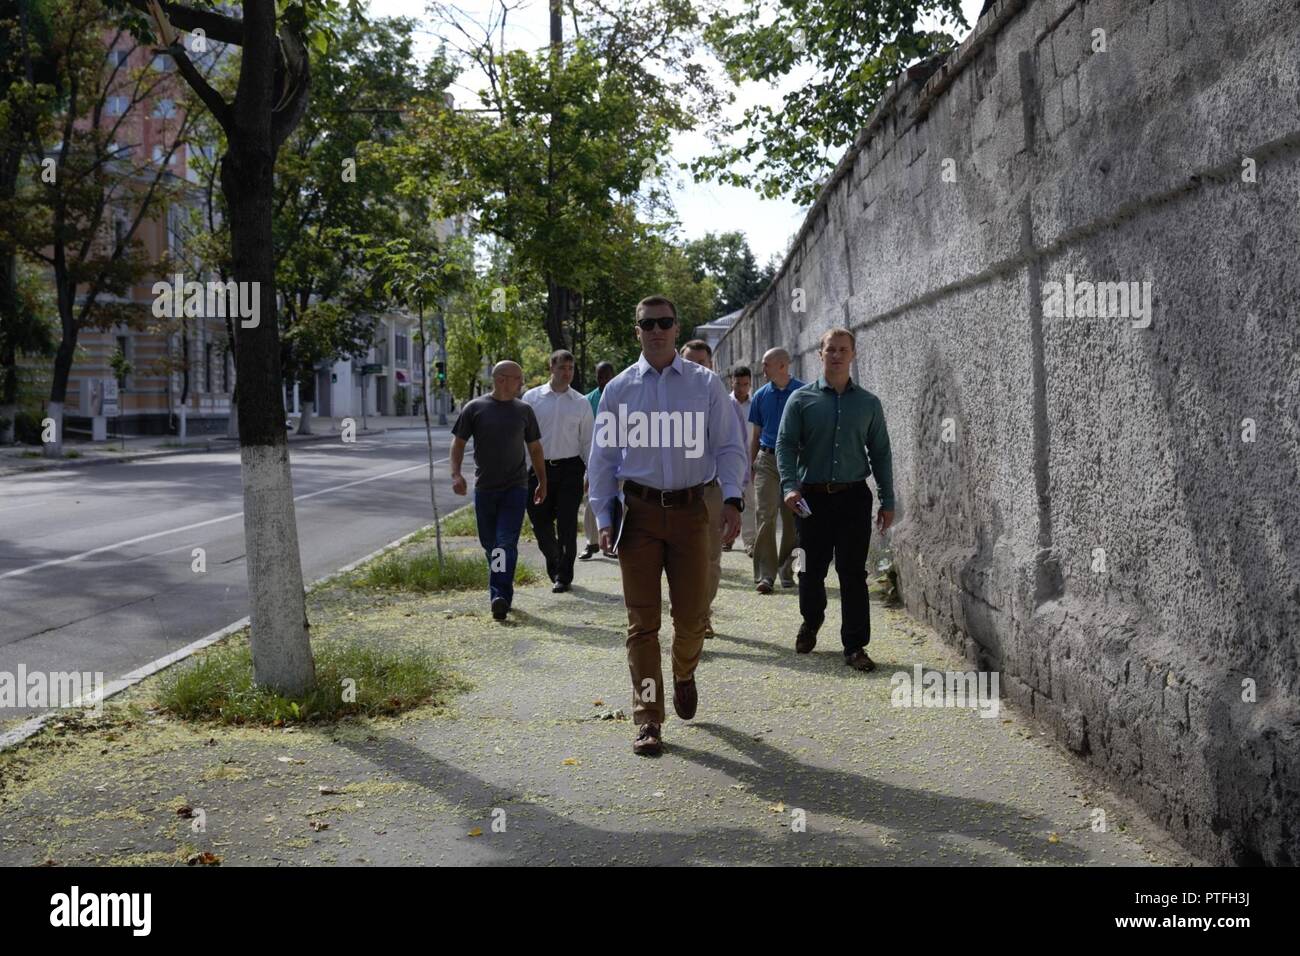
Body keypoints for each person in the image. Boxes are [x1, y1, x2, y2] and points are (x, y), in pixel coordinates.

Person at [588, 297, 745, 756]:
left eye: (665, 322)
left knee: (692, 617)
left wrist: (732, 498)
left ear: (677, 329)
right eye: (647, 323)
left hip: (692, 512)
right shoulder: (619, 389)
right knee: (642, 623)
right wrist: (603, 516)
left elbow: (730, 446)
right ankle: (649, 719)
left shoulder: (705, 385)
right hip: (637, 515)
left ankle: (683, 670)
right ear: (636, 330)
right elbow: (602, 458)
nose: (656, 330)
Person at [778, 328, 895, 671]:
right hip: (811, 498)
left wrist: (887, 501)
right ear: (821, 353)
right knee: (810, 570)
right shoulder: (801, 400)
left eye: (844, 350)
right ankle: (811, 620)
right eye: (831, 349)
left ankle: (855, 646)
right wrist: (789, 485)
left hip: (853, 497)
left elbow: (881, 453)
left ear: (853, 354)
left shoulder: (868, 403)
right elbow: (785, 444)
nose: (837, 355)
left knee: (852, 572)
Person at [450, 361, 547, 621]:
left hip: (515, 488)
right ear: (502, 379)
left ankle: (499, 595)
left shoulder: (524, 410)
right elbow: (458, 443)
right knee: (491, 545)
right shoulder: (475, 408)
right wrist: (456, 474)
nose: (521, 383)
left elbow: (535, 449)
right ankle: (501, 588)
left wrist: (542, 481)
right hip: (485, 490)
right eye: (518, 379)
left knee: (504, 543)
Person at [679, 339, 746, 641]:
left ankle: (702, 614)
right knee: (675, 561)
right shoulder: (664, 396)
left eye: (702, 362)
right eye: (690, 361)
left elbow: (733, 447)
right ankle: (684, 615)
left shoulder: (722, 399)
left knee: (709, 560)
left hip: (709, 491)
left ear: (711, 365)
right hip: (669, 492)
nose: (696, 367)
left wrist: (734, 493)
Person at [523, 350, 594, 593]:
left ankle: (563, 576)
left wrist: (591, 474)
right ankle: (554, 559)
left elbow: (587, 442)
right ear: (551, 368)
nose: (567, 373)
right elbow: (523, 438)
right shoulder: (532, 399)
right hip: (538, 469)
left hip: (570, 470)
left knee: (566, 525)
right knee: (540, 524)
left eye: (570, 368)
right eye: (562, 367)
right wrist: (523, 471)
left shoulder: (581, 403)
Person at [748, 347, 804, 593]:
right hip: (767, 460)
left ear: (783, 365)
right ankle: (765, 575)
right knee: (765, 516)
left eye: (766, 364)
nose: (762, 370)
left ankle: (786, 570)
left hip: (795, 460)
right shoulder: (760, 395)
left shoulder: (804, 393)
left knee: (793, 518)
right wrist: (753, 464)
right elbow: (756, 435)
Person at [580, 361, 617, 561]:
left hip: (619, 456)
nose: (603, 380)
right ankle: (591, 542)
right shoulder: (587, 401)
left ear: (613, 376)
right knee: (591, 498)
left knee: (616, 500)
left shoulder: (622, 395)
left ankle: (611, 542)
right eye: (600, 376)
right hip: (595, 457)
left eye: (607, 376)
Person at [726, 365, 756, 555]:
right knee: (728, 500)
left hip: (750, 460)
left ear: (750, 383)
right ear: (732, 382)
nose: (741, 388)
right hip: (729, 461)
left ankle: (750, 542)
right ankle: (727, 539)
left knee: (750, 503)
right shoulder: (724, 403)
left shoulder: (755, 405)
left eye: (745, 384)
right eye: (738, 384)